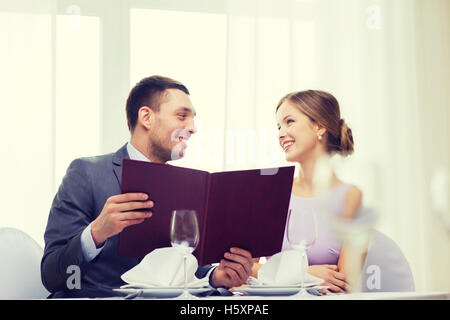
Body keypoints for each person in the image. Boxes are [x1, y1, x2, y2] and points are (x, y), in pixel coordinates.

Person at [41, 75, 253, 298]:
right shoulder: (87, 173)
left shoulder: (187, 186)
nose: (192, 128)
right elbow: (52, 276)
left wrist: (215, 276)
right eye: (182, 116)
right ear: (146, 117)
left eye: (193, 119)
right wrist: (96, 233)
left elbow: (182, 266)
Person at [252, 90, 364, 294]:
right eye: (278, 126)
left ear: (319, 126)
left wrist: (276, 274)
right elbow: (241, 270)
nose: (280, 133)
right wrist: (303, 274)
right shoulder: (270, 193)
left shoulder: (351, 197)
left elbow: (343, 282)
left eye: (289, 122)